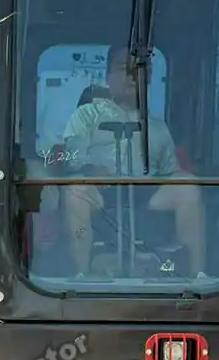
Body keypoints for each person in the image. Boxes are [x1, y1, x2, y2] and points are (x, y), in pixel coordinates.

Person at [60, 44, 206, 279]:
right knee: (75, 190)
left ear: (147, 78)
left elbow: (171, 171)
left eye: (140, 69)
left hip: (147, 192)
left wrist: (178, 177)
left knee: (187, 187)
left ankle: (196, 275)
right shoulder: (86, 115)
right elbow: (70, 156)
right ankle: (81, 275)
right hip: (99, 191)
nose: (132, 75)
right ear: (108, 78)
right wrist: (90, 169)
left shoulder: (158, 127)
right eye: (123, 68)